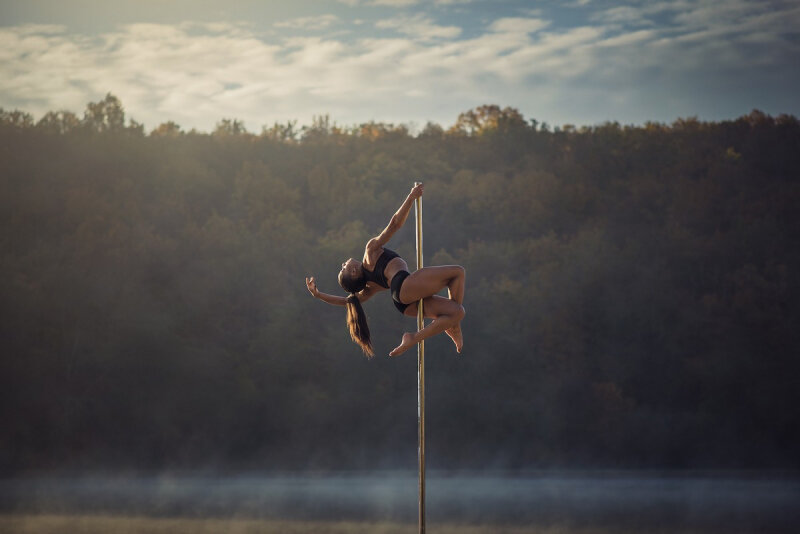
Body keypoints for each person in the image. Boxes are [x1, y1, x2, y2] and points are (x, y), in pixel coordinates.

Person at [305, 183, 465, 357]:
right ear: (352, 272)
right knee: (457, 273)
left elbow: (347, 301)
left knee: (457, 312)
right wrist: (411, 197)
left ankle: (417, 336)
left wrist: (319, 295)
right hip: (404, 286)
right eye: (343, 268)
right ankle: (452, 327)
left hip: (403, 304)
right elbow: (394, 224)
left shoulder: (369, 288)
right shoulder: (370, 252)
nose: (343, 263)